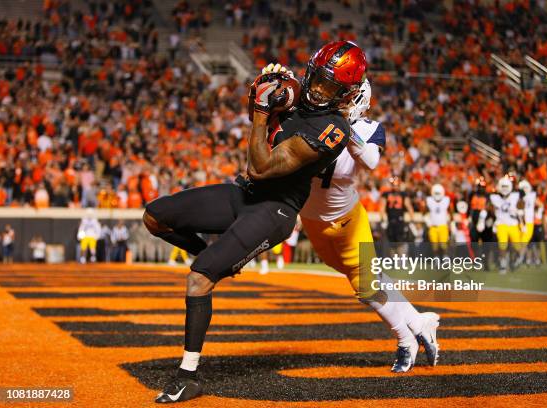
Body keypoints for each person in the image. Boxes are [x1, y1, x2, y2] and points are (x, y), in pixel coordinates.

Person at [144, 41, 362, 403]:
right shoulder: (295, 93)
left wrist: (264, 108)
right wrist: (261, 89)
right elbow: (254, 116)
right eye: (317, 80)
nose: (318, 90)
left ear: (345, 94)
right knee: (154, 216)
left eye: (329, 87)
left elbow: (259, 167)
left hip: (274, 209)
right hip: (244, 195)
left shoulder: (333, 128)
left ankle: (188, 375)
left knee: (199, 279)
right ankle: (214, 256)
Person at [299, 78, 439, 373]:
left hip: (347, 219)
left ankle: (405, 341)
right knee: (366, 277)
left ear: (359, 100)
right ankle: (419, 321)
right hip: (312, 220)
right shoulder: (314, 118)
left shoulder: (367, 128)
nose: (337, 100)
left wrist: (345, 130)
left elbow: (372, 161)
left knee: (365, 286)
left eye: (344, 96)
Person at [424, 184, 451, 253]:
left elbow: (451, 212)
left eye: (438, 193)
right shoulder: (429, 200)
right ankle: (436, 259)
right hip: (433, 226)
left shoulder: (446, 200)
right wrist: (427, 221)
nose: (437, 195)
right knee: (434, 246)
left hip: (443, 226)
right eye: (436, 193)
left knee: (443, 244)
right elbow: (424, 212)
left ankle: (445, 258)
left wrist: (451, 223)